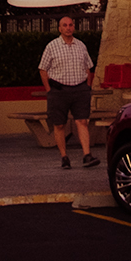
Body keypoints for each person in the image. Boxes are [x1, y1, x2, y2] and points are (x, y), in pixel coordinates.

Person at [37, 13, 97, 170]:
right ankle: (64, 157)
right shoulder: (52, 46)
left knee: (82, 121)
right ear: (59, 28)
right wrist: (49, 90)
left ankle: (87, 155)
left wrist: (87, 86)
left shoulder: (81, 45)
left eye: (70, 25)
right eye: (65, 25)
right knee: (59, 125)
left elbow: (88, 67)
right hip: (59, 90)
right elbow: (43, 69)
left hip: (80, 89)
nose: (68, 28)